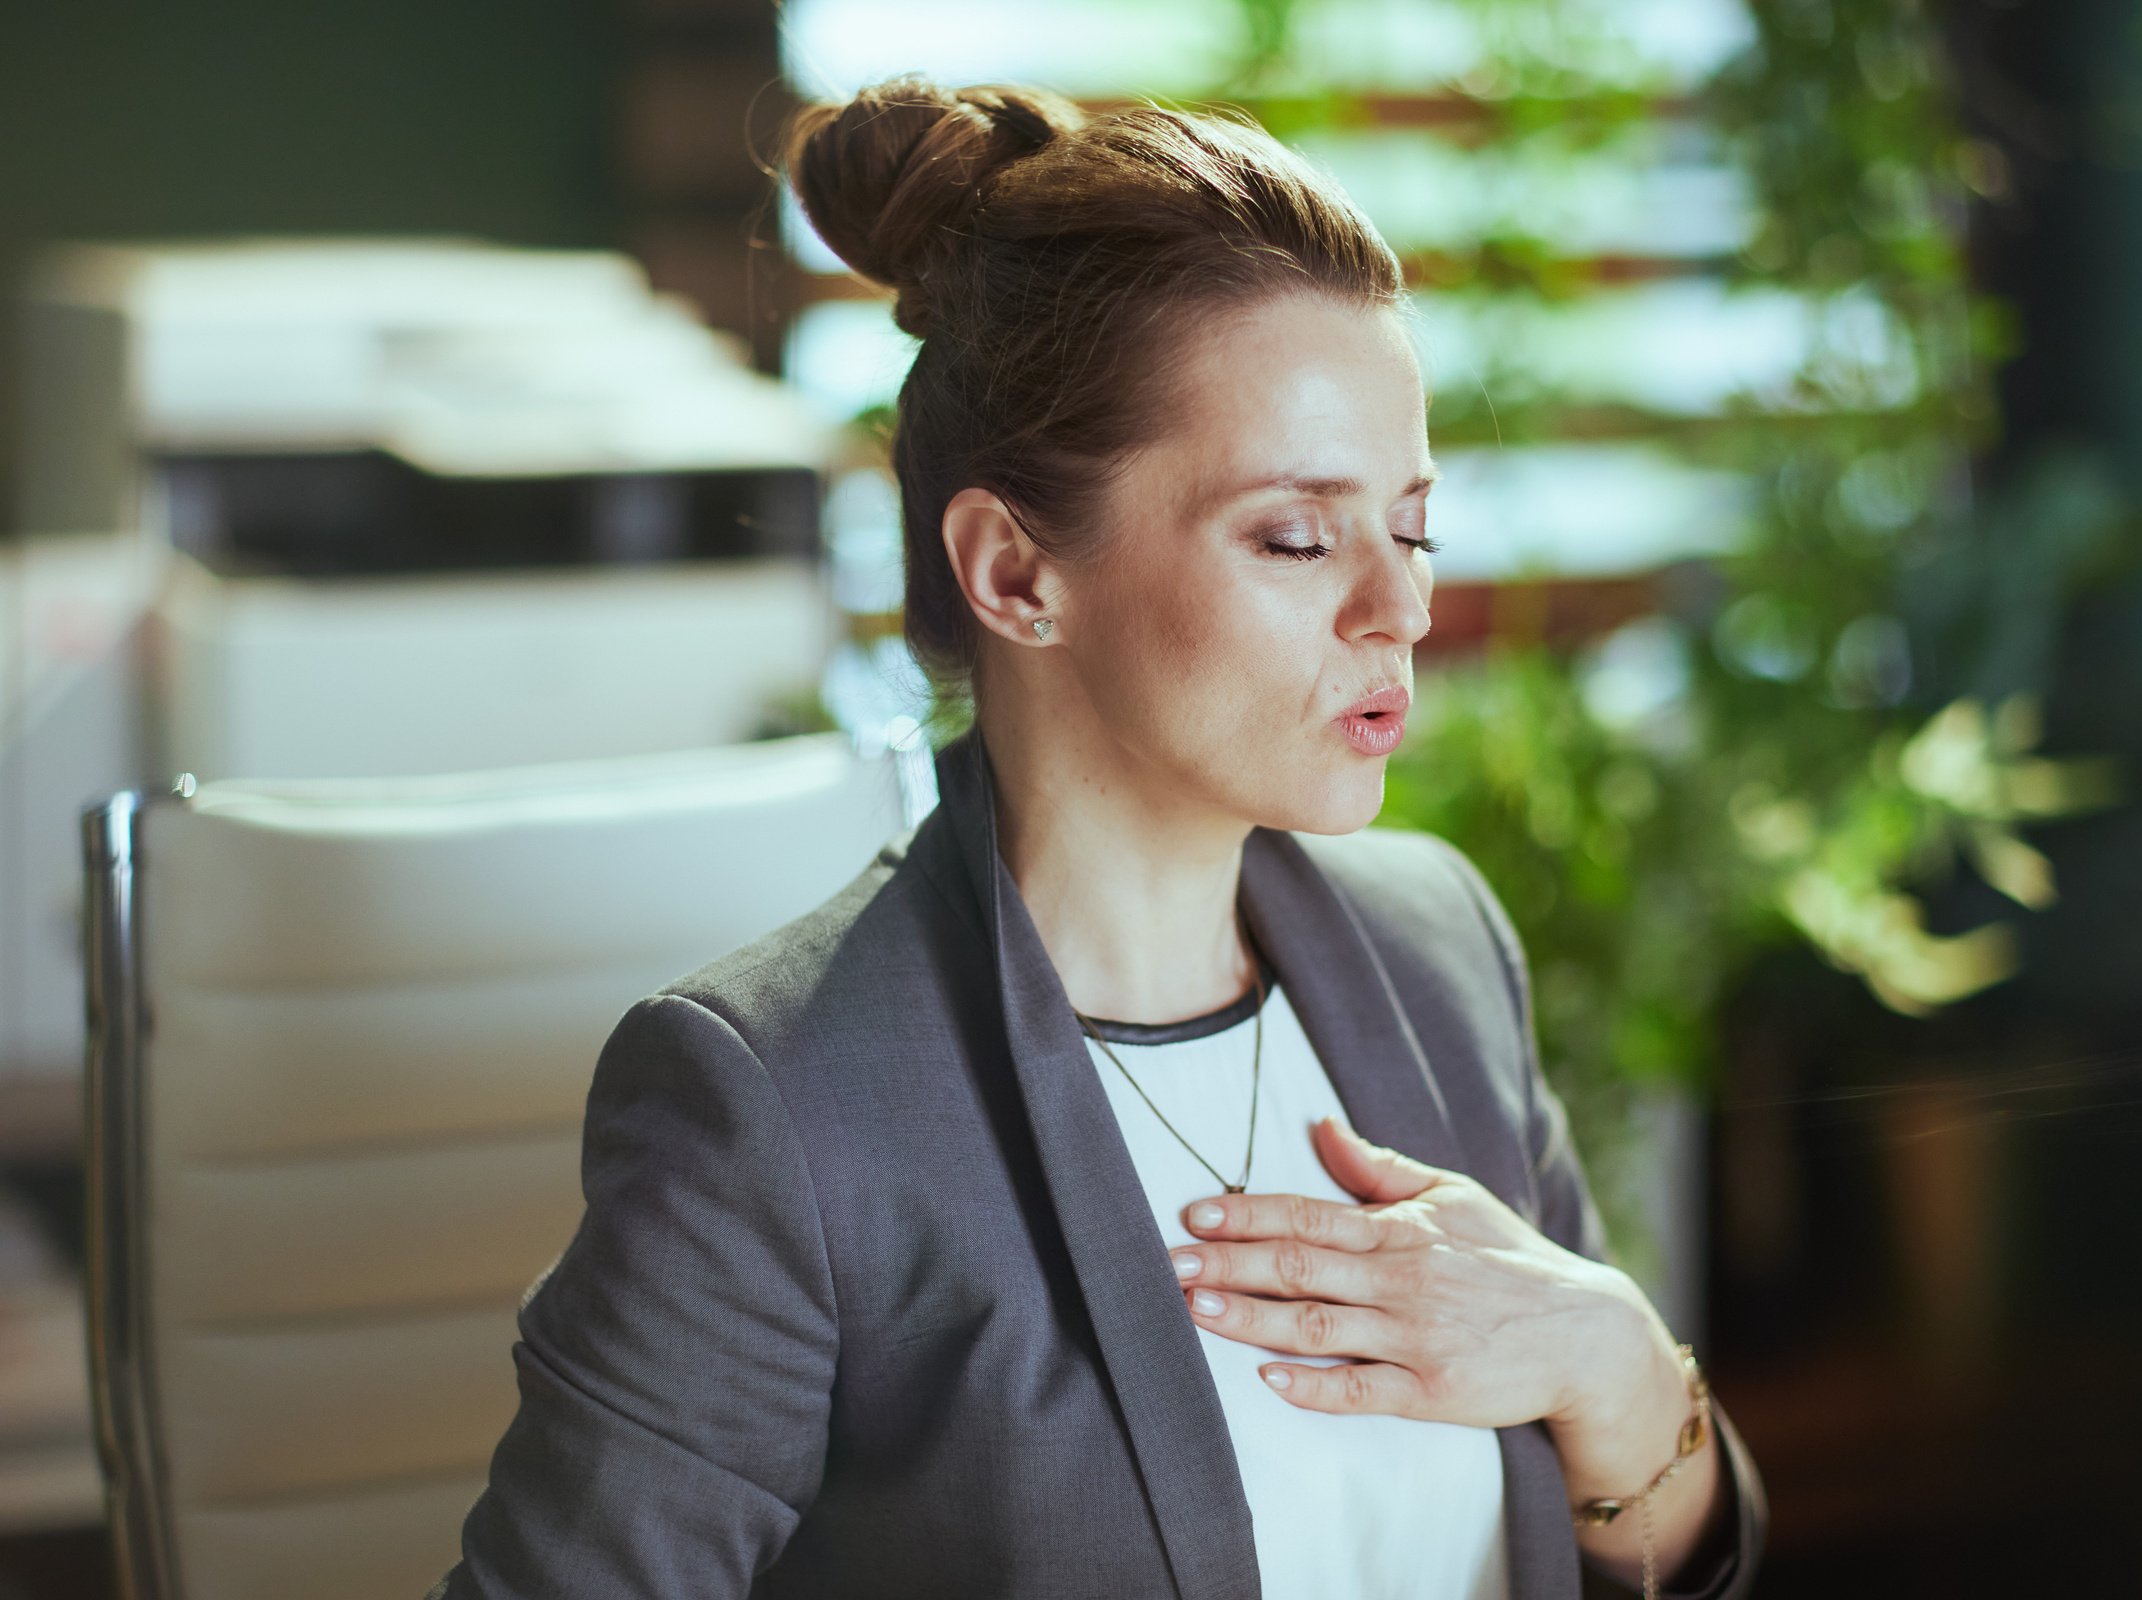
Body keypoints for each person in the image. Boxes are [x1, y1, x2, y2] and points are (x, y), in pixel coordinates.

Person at [429, 74, 1765, 1600]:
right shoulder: (782, 1114)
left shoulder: (1433, 946)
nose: (1403, 609)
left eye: (1412, 524)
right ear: (1014, 574)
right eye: (1296, 536)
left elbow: (1666, 1559)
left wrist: (1612, 1366)